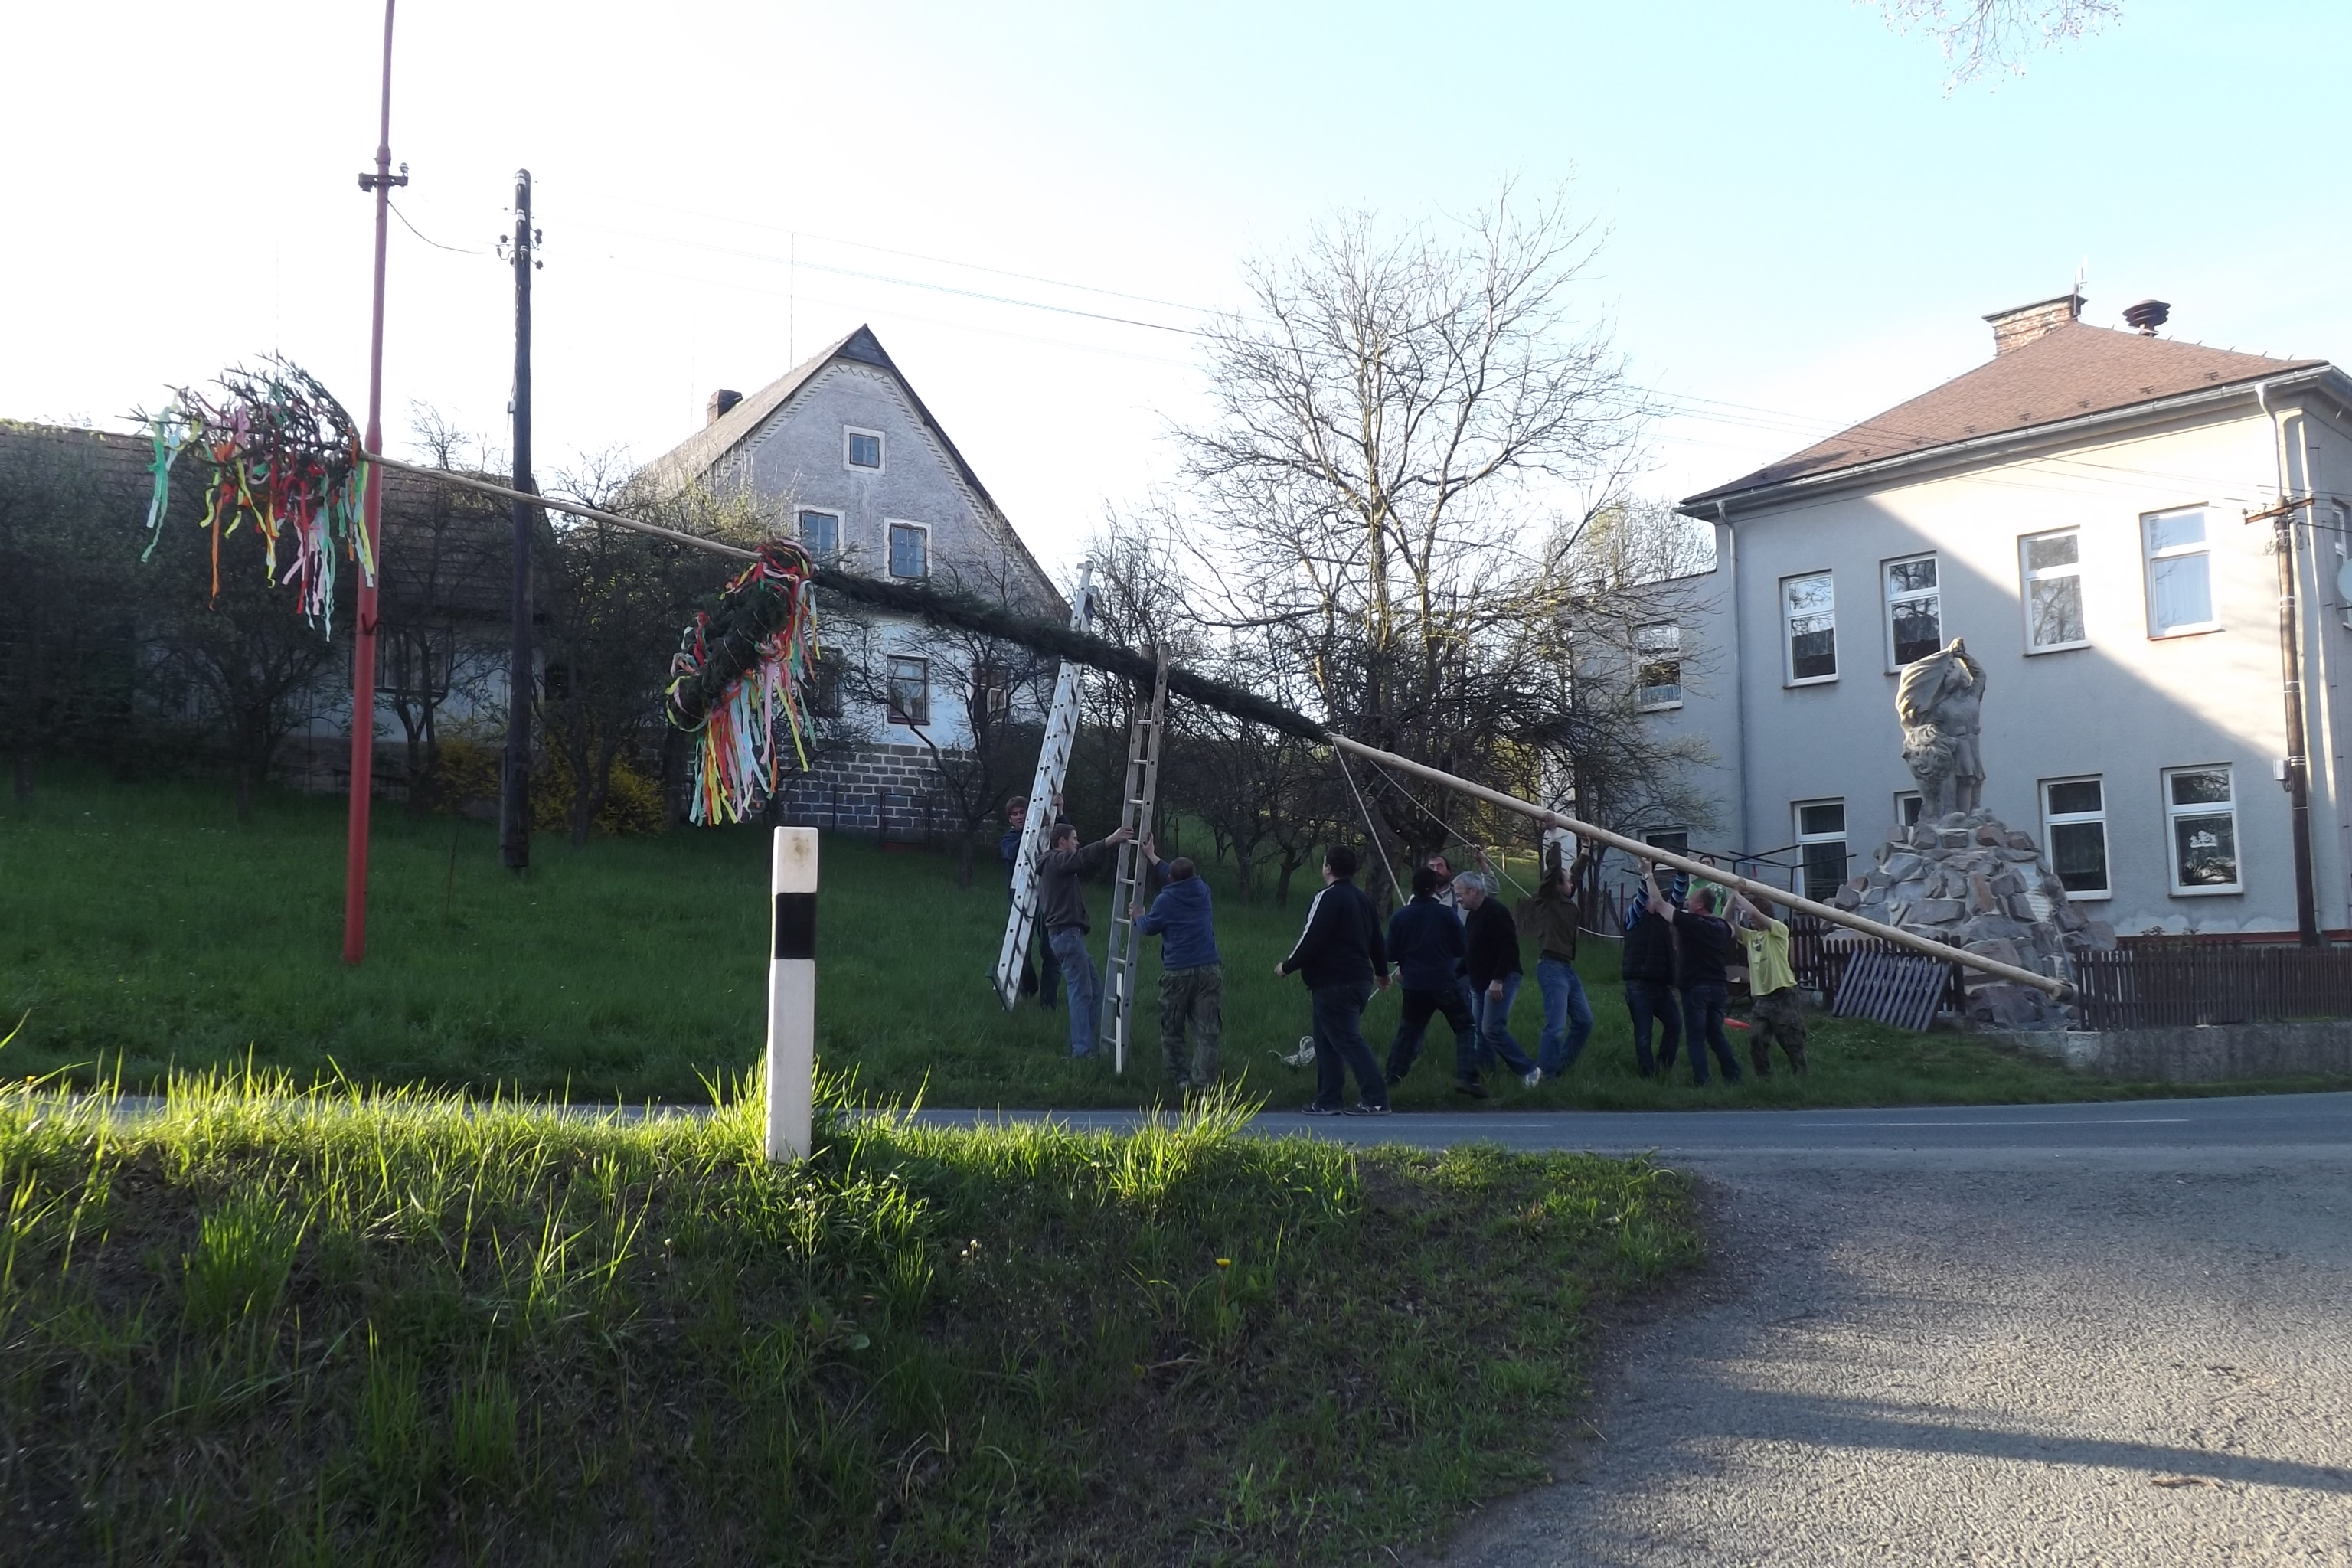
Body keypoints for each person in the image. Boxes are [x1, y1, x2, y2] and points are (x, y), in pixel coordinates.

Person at [1275, 845, 1392, 1115]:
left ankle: (1376, 1098)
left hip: (1335, 981)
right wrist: (1382, 973)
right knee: (1327, 1042)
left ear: (1327, 868)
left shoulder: (1327, 897)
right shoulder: (1363, 900)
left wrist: (1287, 966)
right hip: (1357, 979)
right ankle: (1328, 1099)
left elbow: (1311, 937)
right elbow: (1377, 940)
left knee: (1348, 1040)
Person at [1382, 864, 1485, 1097]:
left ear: (1413, 888)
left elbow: (1390, 953)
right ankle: (1467, 1076)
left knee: (1408, 1032)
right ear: (1435, 889)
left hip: (1414, 985)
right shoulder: (1446, 914)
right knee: (1465, 1027)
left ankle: (1391, 1079)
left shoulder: (1400, 917)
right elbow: (1461, 948)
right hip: (1443, 982)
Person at [1037, 819, 1133, 1057]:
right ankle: (1081, 1050)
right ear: (1062, 842)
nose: (1078, 843)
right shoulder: (1056, 861)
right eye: (1074, 839)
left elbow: (1078, 856)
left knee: (1095, 989)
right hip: (1067, 936)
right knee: (1080, 992)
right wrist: (1110, 840)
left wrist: (1062, 812)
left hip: (1069, 936)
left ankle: (1084, 1042)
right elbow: (1081, 857)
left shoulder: (1055, 862)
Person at [1132, 837, 1221, 1093]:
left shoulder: (1165, 901)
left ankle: (1179, 1079)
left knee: (1172, 1027)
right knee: (1207, 1031)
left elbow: (1149, 928)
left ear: (1170, 879)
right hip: (1209, 969)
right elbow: (1177, 875)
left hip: (1178, 972)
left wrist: (1139, 916)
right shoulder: (1203, 890)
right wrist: (1153, 856)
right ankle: (1204, 1085)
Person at [1642, 859, 1743, 1086]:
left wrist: (1648, 874)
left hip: (1696, 988)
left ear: (1699, 906)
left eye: (1692, 899)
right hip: (1719, 988)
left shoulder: (1691, 922)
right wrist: (1735, 894)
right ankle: (1734, 1077)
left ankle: (1702, 1081)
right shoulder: (1721, 928)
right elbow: (1728, 921)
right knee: (1715, 1034)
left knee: (1696, 1037)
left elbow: (1658, 903)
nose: (1688, 901)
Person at [1456, 872, 1543, 1088]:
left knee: (1492, 1028)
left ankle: (1529, 1070)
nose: (1458, 900)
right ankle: (1487, 1075)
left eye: (1460, 895)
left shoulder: (1496, 912)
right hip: (1478, 983)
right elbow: (1470, 952)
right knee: (1480, 1031)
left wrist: (1498, 979)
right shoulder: (1472, 916)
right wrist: (1452, 976)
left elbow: (1509, 948)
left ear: (1473, 891)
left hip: (1501, 980)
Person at [1516, 845, 1593, 1080]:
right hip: (1551, 968)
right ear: (1558, 885)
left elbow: (1574, 875)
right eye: (1568, 882)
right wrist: (1554, 836)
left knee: (1584, 1021)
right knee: (1556, 1026)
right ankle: (1544, 1076)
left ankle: (1558, 1067)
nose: (1573, 884)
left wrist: (1586, 849)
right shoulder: (1548, 899)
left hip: (1567, 969)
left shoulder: (1564, 898)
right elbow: (1554, 869)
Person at [1726, 887, 1808, 1075]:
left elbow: (1755, 913)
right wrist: (1733, 896)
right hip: (1762, 998)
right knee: (1756, 1039)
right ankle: (1764, 1078)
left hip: (1783, 994)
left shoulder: (1778, 930)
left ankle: (1801, 1075)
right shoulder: (1751, 937)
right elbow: (1726, 921)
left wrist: (1738, 894)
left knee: (1791, 1040)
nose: (1750, 919)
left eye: (1753, 916)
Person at [1620, 869, 1683, 1079]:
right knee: (1644, 1034)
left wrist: (1682, 871)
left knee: (1675, 1024)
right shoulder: (1635, 917)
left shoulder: (1663, 919)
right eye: (1652, 899)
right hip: (1639, 985)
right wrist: (1648, 871)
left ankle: (1663, 1067)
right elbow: (1642, 894)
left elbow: (1678, 895)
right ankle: (1648, 1075)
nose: (1656, 901)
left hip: (1660, 986)